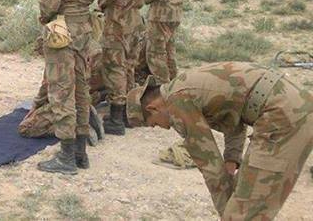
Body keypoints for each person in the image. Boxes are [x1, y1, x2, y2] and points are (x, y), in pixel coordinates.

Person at [126, 62, 313, 220]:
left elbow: (210, 167)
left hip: (283, 116)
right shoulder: (184, 86)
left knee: (243, 212)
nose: (163, 128)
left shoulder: (177, 103)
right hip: (293, 103)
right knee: (246, 199)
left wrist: (228, 213)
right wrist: (231, 161)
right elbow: (234, 121)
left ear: (153, 108)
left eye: (154, 124)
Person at [34, 0, 98, 174]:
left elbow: (50, 1)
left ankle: (66, 157)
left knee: (61, 89)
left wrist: (44, 19)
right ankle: (81, 153)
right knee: (82, 89)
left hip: (63, 26)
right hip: (85, 26)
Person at [99, 0, 154, 136]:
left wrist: (102, 3)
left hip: (119, 19)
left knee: (115, 66)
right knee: (130, 65)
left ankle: (116, 119)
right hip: (136, 18)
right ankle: (130, 114)